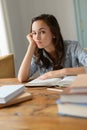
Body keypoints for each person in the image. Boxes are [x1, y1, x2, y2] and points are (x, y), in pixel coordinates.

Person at [18, 14, 87, 82]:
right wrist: (31, 46)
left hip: (75, 89)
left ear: (54, 33)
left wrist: (62, 72)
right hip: (50, 92)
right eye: (34, 33)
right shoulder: (38, 53)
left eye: (42, 32)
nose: (37, 37)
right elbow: (22, 78)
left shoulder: (73, 47)